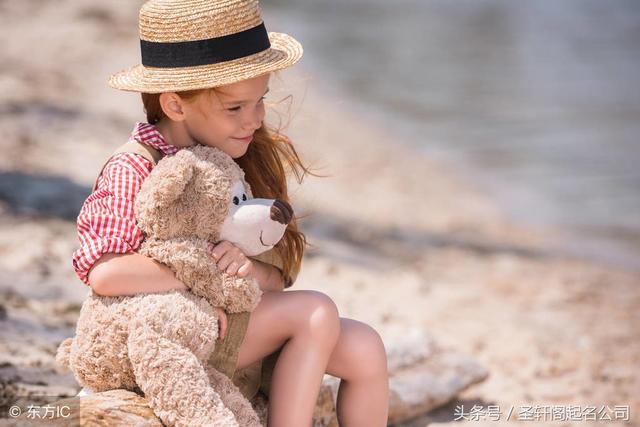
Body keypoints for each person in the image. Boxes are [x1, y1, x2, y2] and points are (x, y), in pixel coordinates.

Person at [72, 0, 389, 425]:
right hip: (167, 338)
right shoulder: (135, 167)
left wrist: (245, 272)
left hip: (229, 318)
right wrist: (205, 272)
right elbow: (106, 273)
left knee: (366, 348)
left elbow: (277, 276)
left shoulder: (234, 157)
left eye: (261, 100)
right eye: (236, 107)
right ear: (175, 105)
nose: (255, 119)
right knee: (315, 312)